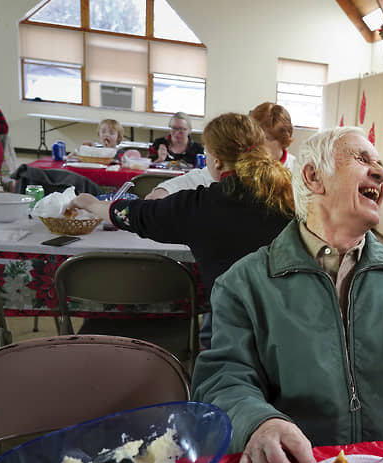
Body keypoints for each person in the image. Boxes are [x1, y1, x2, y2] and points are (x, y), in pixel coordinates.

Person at [191, 126, 383, 463]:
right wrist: (259, 423)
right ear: (313, 177)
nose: (382, 173)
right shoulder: (243, 283)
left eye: (380, 164)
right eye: (362, 159)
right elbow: (223, 378)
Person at [67, 112, 294, 344]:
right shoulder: (289, 196)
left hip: (236, 333)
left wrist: (91, 203)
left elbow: (134, 215)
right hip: (294, 322)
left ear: (215, 160)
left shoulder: (198, 207)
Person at [144, 102, 294, 200]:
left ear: (284, 140)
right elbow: (200, 177)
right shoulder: (238, 164)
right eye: (252, 135)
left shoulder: (298, 170)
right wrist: (164, 190)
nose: (256, 143)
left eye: (265, 138)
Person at [250, 102, 295, 171]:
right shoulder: (246, 165)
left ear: (283, 140)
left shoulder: (295, 167)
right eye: (253, 136)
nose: (255, 144)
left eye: (265, 138)